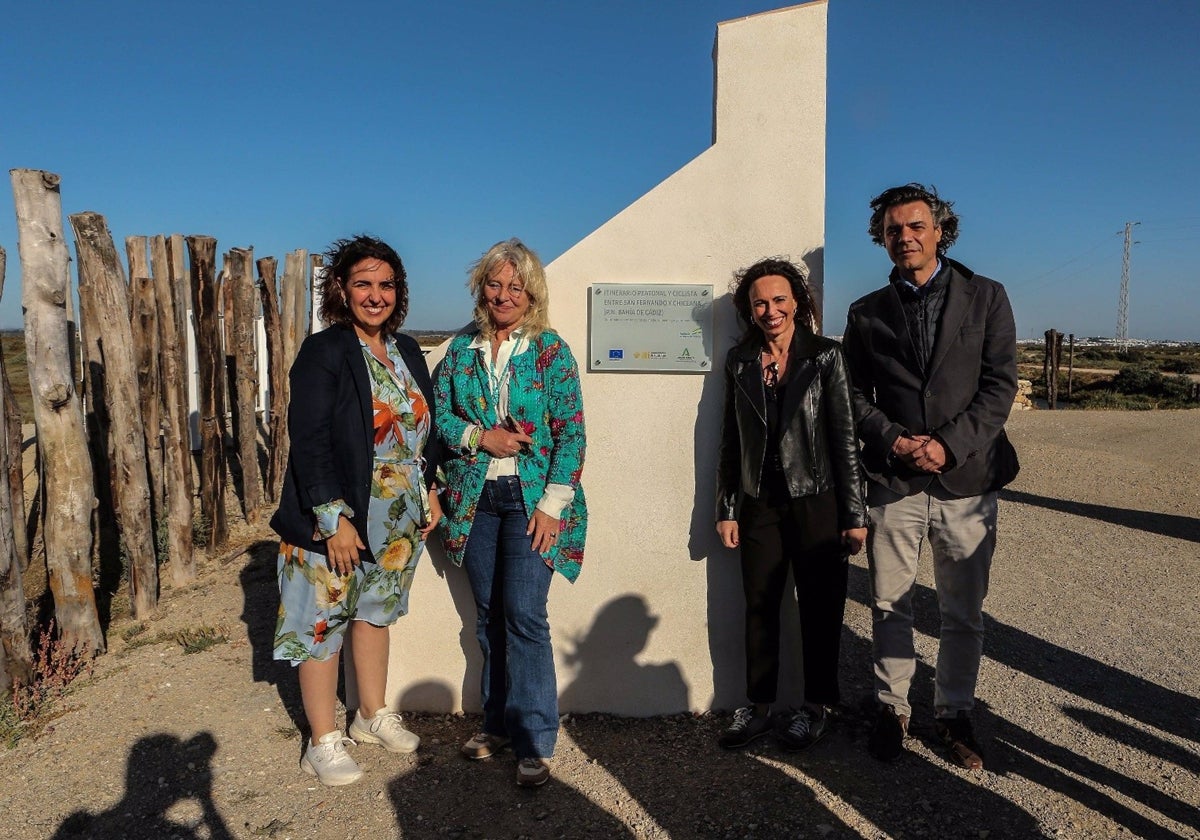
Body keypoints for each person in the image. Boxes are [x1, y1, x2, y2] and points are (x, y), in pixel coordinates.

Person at [842, 184, 1019, 770]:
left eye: (916, 226)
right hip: (894, 480)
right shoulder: (866, 312)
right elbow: (851, 395)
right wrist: (894, 439)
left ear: (940, 230)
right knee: (889, 602)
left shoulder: (987, 297)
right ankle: (892, 709)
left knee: (962, 611)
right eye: (893, 230)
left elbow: (999, 387)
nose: (904, 238)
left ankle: (954, 712)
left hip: (966, 479)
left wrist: (946, 446)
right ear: (882, 238)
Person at [270, 235, 442, 786]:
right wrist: (332, 518)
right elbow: (310, 438)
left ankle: (370, 714)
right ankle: (323, 740)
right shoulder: (326, 351)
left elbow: (421, 432)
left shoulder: (408, 350)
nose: (375, 295)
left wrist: (429, 487)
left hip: (396, 519)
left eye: (385, 284)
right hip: (338, 519)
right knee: (321, 625)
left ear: (399, 291)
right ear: (341, 290)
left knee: (373, 616)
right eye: (363, 283)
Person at [434, 237, 587, 788]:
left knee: (524, 615)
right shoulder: (459, 351)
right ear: (482, 289)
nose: (503, 294)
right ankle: (495, 724)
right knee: (488, 616)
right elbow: (441, 421)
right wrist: (480, 437)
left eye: (514, 286)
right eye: (495, 284)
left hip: (531, 503)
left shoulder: (550, 351)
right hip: (475, 500)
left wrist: (552, 505)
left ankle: (533, 739)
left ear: (531, 293)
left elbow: (571, 433)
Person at [715, 257, 868, 751]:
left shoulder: (825, 357)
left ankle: (815, 707)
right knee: (759, 607)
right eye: (760, 301)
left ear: (797, 303)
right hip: (760, 504)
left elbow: (845, 438)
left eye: (779, 299)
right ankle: (758, 707)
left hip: (817, 502)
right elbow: (730, 441)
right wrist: (727, 507)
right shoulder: (739, 361)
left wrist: (855, 514)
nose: (770, 309)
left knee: (821, 609)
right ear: (749, 309)